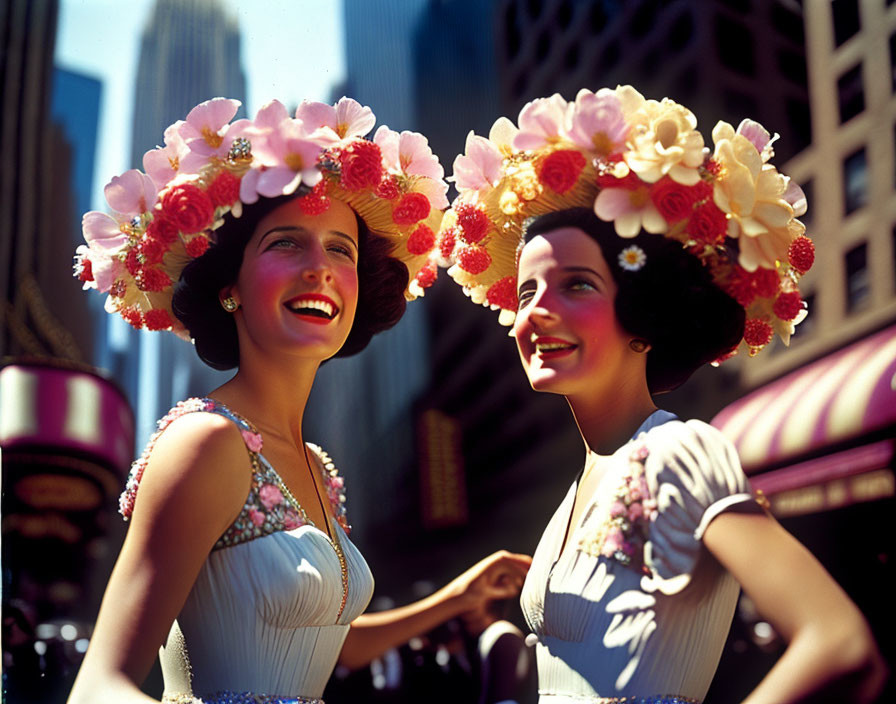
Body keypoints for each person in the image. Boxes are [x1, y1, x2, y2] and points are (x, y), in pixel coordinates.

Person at [66, 96, 530, 704]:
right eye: (287, 243)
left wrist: (458, 597)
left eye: (342, 248)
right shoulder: (206, 443)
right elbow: (101, 686)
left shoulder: (315, 466)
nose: (321, 269)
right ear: (228, 286)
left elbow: (333, 644)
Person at [439, 86, 888, 702]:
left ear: (643, 320)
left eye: (577, 285)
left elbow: (836, 642)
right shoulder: (584, 483)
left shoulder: (676, 450)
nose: (537, 314)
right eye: (525, 295)